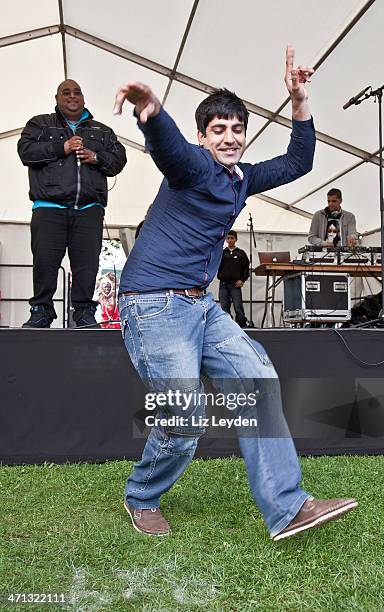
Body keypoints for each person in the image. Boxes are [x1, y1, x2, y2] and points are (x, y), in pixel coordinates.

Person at [114, 47, 357, 540]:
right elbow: (171, 149)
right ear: (203, 137)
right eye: (218, 129)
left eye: (237, 129)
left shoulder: (240, 179)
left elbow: (297, 161)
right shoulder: (192, 168)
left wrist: (299, 101)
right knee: (186, 422)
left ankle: (288, 507)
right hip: (154, 304)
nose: (230, 137)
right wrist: (152, 113)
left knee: (257, 377)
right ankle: (141, 494)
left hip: (201, 306)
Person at [18, 79, 127, 328]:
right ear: (56, 98)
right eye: (65, 92)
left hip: (89, 209)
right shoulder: (40, 124)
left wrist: (96, 157)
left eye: (77, 92)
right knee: (45, 261)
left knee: (87, 265)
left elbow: (119, 158)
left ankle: (84, 313)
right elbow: (25, 151)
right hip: (49, 206)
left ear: (84, 99)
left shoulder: (102, 131)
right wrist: (62, 147)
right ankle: (41, 311)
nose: (72, 96)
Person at [218, 230, 249, 327]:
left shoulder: (241, 253)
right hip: (223, 283)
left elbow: (246, 268)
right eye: (228, 238)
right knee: (224, 306)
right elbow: (216, 266)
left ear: (236, 239)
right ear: (226, 240)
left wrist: (242, 280)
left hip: (235, 284)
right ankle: (227, 325)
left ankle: (242, 324)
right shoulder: (222, 253)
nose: (230, 240)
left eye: (232, 238)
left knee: (238, 305)